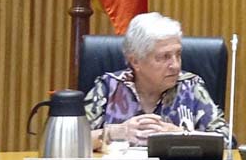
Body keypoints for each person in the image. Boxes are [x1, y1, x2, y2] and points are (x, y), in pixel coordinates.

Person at [83, 12, 230, 149]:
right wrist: (115, 133)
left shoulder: (191, 87)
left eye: (178, 54)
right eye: (164, 57)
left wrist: (180, 135)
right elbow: (73, 141)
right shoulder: (108, 87)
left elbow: (227, 141)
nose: (176, 65)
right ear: (135, 61)